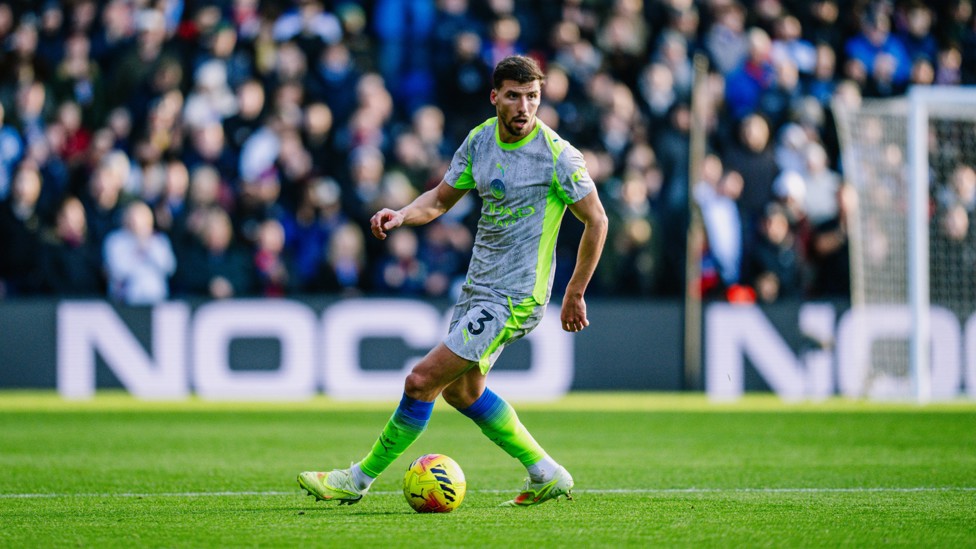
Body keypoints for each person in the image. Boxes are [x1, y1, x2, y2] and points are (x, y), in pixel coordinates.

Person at [298, 55, 608, 507]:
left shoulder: (558, 156)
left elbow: (597, 220)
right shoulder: (480, 141)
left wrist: (574, 291)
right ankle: (546, 472)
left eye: (533, 97)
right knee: (463, 392)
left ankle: (356, 480)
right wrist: (403, 214)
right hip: (478, 289)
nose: (524, 106)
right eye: (515, 96)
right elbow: (441, 199)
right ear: (495, 97)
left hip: (514, 297)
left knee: (420, 380)